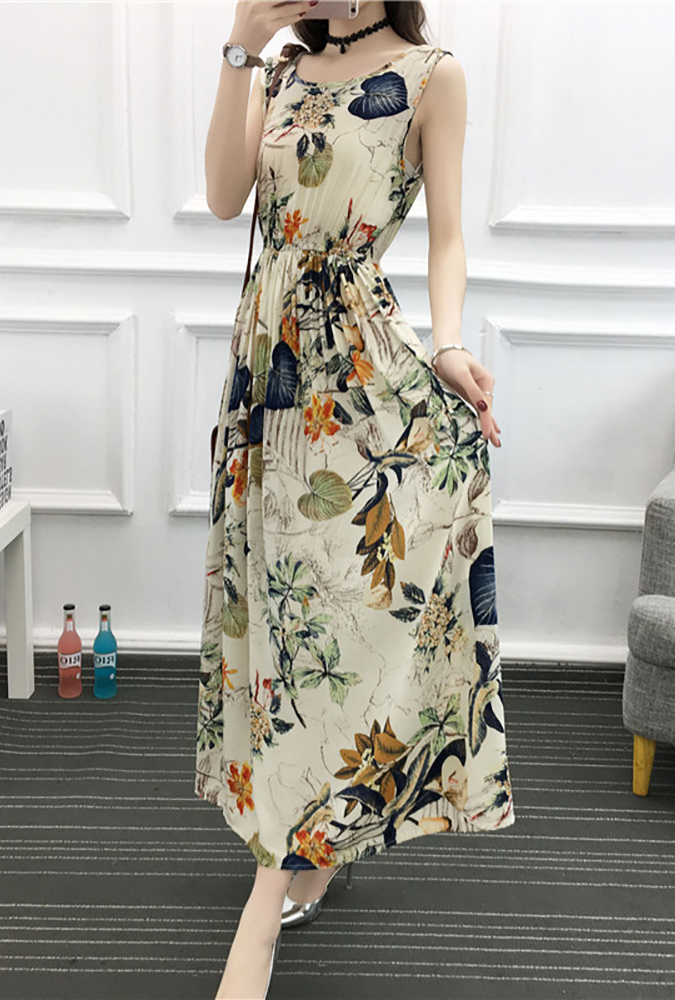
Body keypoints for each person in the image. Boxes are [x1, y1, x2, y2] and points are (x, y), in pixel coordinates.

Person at [197, 1, 515, 996]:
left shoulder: (431, 75)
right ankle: (315, 842)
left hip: (359, 370)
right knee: (281, 622)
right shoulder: (279, 70)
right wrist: (242, 43)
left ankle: (260, 916)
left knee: (338, 625)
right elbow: (222, 197)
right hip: (268, 373)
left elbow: (448, 236)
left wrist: (450, 343)